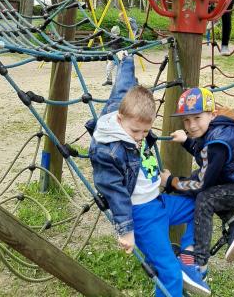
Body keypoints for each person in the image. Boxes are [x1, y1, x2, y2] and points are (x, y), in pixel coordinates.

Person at [89, 56, 211, 297]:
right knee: (169, 273)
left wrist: (127, 61)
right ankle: (177, 275)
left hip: (158, 202)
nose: (140, 136)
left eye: (146, 131)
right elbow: (114, 191)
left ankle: (188, 260)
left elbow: (123, 86)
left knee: (203, 205)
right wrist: (125, 231)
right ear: (120, 119)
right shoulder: (108, 151)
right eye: (136, 131)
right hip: (143, 216)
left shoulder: (124, 109)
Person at [160, 87, 234, 277]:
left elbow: (201, 184)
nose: (191, 125)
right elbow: (206, 156)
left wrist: (171, 182)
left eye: (197, 118)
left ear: (212, 114)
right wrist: (186, 141)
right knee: (198, 181)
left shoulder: (217, 141)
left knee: (205, 198)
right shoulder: (214, 130)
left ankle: (199, 262)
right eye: (186, 120)